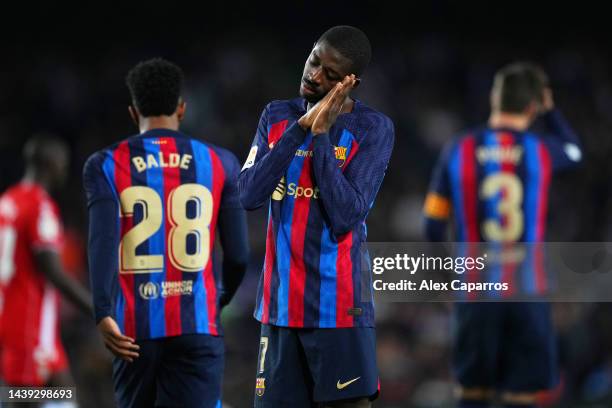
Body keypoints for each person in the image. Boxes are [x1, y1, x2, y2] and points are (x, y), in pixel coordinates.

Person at [239, 26, 395, 408]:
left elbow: (346, 214)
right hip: (278, 310)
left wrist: (322, 136)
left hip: (340, 310)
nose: (314, 75)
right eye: (314, 61)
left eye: (329, 73)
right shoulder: (276, 116)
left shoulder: (372, 128)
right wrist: (300, 130)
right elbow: (248, 195)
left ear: (349, 81)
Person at [82, 58, 249, 408]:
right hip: (197, 322)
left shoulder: (105, 164)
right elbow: (237, 255)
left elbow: (102, 242)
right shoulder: (221, 161)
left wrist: (102, 312)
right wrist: (218, 300)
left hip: (132, 331)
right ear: (182, 109)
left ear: (132, 112)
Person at [423, 62, 582, 408]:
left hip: (476, 292)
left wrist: (445, 279)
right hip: (528, 293)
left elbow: (433, 222)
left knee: (473, 394)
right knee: (522, 395)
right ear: (533, 106)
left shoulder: (459, 150)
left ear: (495, 98)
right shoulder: (541, 150)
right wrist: (551, 112)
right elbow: (575, 150)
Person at [0, 135, 92, 407]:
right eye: (63, 164)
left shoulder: (8, 201)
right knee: (22, 397)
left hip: (28, 323)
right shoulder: (40, 206)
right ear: (51, 164)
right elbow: (53, 270)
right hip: (26, 323)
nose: (65, 170)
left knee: (66, 394)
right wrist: (99, 310)